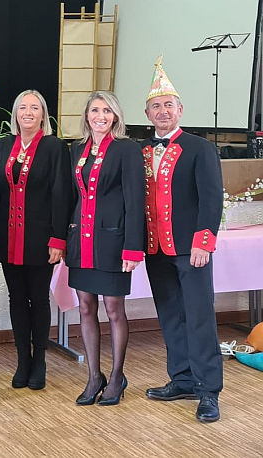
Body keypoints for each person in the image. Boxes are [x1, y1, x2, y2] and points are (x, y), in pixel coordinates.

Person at [141, 57, 223, 423]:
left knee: (199, 318)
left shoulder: (200, 148)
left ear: (180, 110)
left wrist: (204, 241)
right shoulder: (140, 151)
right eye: (156, 106)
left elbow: (211, 198)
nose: (163, 111)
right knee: (171, 316)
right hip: (156, 248)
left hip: (192, 250)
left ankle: (209, 390)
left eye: (168, 105)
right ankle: (183, 379)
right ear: (147, 114)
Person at [65, 91, 145, 406]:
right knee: (85, 307)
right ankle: (93, 377)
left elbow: (135, 200)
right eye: (95, 110)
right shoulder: (77, 149)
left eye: (107, 111)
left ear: (116, 116)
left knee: (113, 309)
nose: (101, 116)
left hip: (113, 241)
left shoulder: (127, 149)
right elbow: (71, 197)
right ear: (87, 115)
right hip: (81, 240)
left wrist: (133, 248)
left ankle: (116, 377)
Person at [0, 90, 71, 390]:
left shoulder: (54, 147)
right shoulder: (3, 145)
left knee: (38, 298)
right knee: (16, 298)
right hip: (8, 236)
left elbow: (61, 194)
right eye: (22, 107)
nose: (28, 112)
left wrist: (58, 238)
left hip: (40, 238)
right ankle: (23, 359)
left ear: (43, 114)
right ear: (15, 113)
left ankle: (40, 360)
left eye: (34, 107)